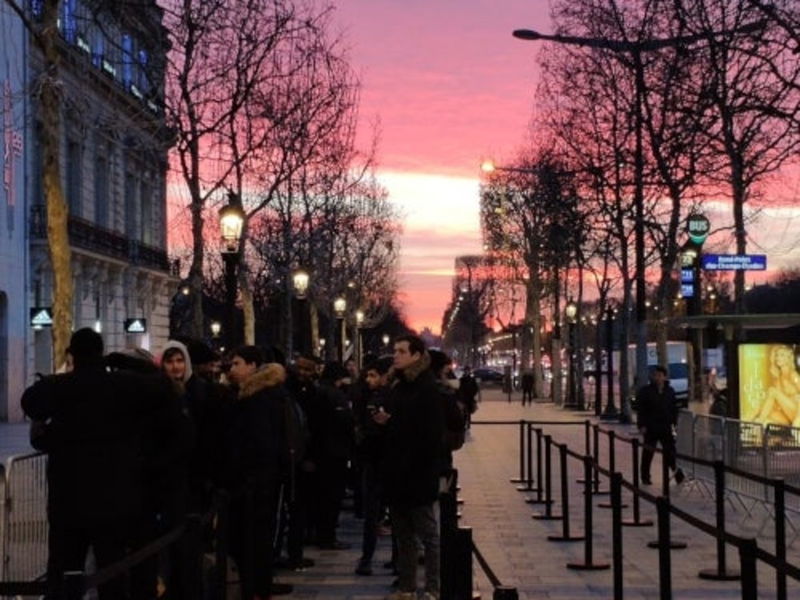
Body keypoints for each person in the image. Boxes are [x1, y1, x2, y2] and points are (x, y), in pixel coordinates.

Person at [21, 328, 185, 600]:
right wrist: (123, 362)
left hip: (68, 499)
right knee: (111, 574)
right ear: (101, 352)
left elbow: (30, 402)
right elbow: (164, 385)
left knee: (63, 573)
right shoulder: (124, 385)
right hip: (114, 498)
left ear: (72, 354)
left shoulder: (60, 387)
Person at [224, 346, 293, 600]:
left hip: (255, 485)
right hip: (261, 483)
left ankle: (255, 590)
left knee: (253, 542)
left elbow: (258, 444)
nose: (232, 369)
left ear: (253, 366)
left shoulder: (257, 399)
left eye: (237, 363)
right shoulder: (265, 395)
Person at [383, 335, 445, 600]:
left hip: (418, 472)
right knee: (403, 536)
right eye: (395, 351)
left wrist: (394, 424)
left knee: (428, 536)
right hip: (397, 472)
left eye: (401, 351)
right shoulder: (400, 386)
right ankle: (406, 587)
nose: (395, 355)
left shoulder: (428, 388)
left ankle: (433, 588)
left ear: (417, 355)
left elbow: (430, 434)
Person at [354, 356, 394, 576]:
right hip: (372, 460)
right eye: (367, 375)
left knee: (392, 513)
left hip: (384, 459)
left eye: (373, 375)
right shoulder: (365, 395)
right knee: (372, 514)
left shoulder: (390, 397)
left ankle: (392, 559)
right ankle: (367, 557)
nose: (368, 379)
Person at [311, 362, 355, 549]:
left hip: (319, 451)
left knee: (322, 496)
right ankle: (328, 536)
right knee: (332, 496)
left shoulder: (317, 392)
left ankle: (321, 533)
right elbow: (345, 422)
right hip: (335, 451)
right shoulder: (335, 395)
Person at [636, 365, 684, 486]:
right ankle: (645, 476)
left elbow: (674, 409)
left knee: (670, 452)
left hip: (665, 426)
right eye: (655, 375)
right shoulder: (646, 391)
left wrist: (674, 423)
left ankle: (678, 475)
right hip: (651, 427)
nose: (657, 378)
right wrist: (642, 425)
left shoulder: (670, 391)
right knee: (648, 453)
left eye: (659, 375)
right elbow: (641, 410)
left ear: (664, 377)